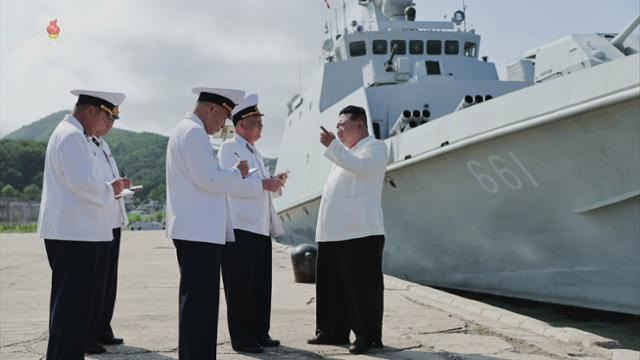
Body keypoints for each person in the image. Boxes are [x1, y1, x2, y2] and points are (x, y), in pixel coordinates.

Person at [165, 87, 262, 360]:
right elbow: (209, 179)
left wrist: (228, 174)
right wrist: (238, 173)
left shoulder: (187, 131)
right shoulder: (193, 133)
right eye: (224, 116)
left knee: (199, 304)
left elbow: (206, 176)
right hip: (199, 231)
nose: (224, 124)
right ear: (211, 108)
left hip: (198, 229)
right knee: (200, 305)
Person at [38, 89, 127, 360]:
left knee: (74, 309)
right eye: (105, 118)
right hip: (74, 234)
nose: (106, 126)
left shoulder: (78, 136)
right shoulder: (71, 136)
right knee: (71, 309)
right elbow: (81, 183)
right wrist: (111, 189)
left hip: (79, 232)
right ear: (91, 111)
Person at [307, 105, 388, 355]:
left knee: (361, 286)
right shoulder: (343, 154)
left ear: (360, 125)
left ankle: (368, 335)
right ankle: (332, 330)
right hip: (333, 232)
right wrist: (337, 148)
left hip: (361, 230)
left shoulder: (374, 147)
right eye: (337, 126)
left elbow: (360, 167)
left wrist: (333, 146)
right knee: (331, 285)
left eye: (343, 125)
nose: (338, 130)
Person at [218, 94, 288, 353]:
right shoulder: (229, 149)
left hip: (259, 227)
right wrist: (263, 184)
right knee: (239, 287)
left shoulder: (255, 152)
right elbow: (230, 185)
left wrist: (275, 184)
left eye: (260, 121)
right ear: (240, 125)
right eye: (255, 121)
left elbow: (263, 188)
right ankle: (243, 338)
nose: (260, 126)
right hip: (239, 227)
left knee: (260, 285)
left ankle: (260, 331)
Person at [86, 113, 132, 354]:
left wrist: (121, 184)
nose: (110, 125)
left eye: (113, 121)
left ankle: (103, 327)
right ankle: (89, 335)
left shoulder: (103, 145)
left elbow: (107, 180)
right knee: (95, 281)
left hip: (112, 219)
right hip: (97, 221)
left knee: (108, 280)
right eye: (107, 120)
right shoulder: (83, 143)